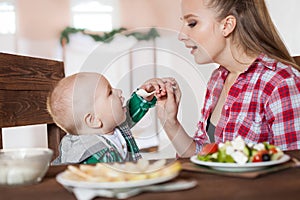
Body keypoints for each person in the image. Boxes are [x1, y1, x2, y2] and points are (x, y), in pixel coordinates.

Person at [156, 0, 300, 157]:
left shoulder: (280, 83)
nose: (181, 35)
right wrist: (169, 121)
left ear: (227, 25)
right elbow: (205, 156)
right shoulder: (218, 78)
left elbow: (294, 169)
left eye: (192, 23)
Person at [48, 72, 173, 164]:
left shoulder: (110, 127)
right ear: (94, 120)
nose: (118, 91)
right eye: (109, 92)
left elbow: (129, 113)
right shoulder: (92, 157)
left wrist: (144, 94)